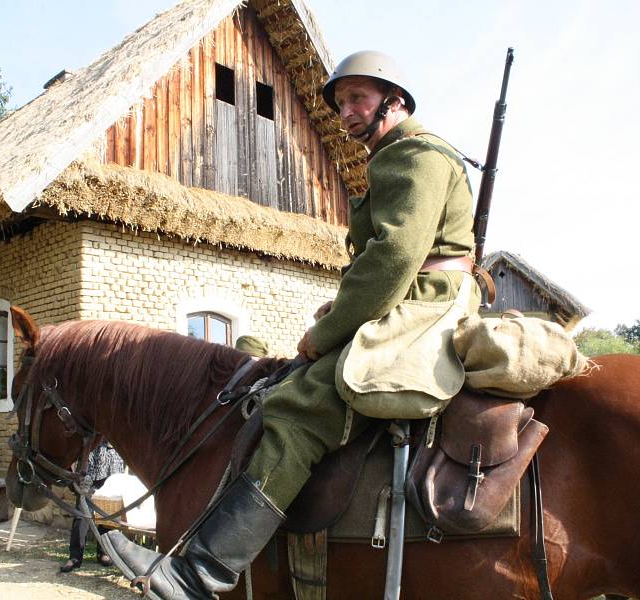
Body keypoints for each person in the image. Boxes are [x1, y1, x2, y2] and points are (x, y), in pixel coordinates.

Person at [106, 50, 481, 599]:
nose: (346, 112)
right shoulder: (402, 155)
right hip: (417, 293)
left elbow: (394, 258)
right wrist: (340, 307)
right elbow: (386, 262)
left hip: (427, 304)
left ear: (394, 101)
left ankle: (201, 572)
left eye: (359, 98)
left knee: (298, 408)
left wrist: (324, 336)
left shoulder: (413, 155)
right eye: (341, 102)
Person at [60, 440, 125, 572]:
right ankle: (75, 557)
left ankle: (104, 552)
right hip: (89, 467)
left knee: (107, 515)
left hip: (113, 465)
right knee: (81, 514)